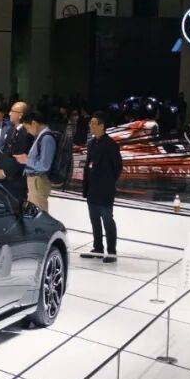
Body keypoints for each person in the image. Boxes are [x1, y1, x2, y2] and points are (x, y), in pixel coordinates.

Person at [81, 110, 122, 264]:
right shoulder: (91, 143)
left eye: (93, 123)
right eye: (90, 123)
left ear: (101, 126)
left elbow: (117, 167)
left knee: (107, 221)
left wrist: (108, 182)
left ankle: (111, 252)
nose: (90, 125)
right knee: (94, 221)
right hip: (92, 189)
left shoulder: (111, 145)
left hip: (105, 190)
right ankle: (98, 248)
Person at [18, 110, 57, 212]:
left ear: (34, 123)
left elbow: (44, 165)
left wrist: (27, 161)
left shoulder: (46, 138)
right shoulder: (41, 136)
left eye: (27, 127)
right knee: (34, 212)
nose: (27, 131)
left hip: (38, 180)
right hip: (35, 181)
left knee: (38, 212)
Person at [0, 101, 34, 203]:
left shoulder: (26, 133)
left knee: (15, 206)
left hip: (16, 181)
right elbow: (4, 151)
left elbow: (21, 157)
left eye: (12, 111)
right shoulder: (11, 130)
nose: (9, 113)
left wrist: (5, 173)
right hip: (4, 180)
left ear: (21, 115)